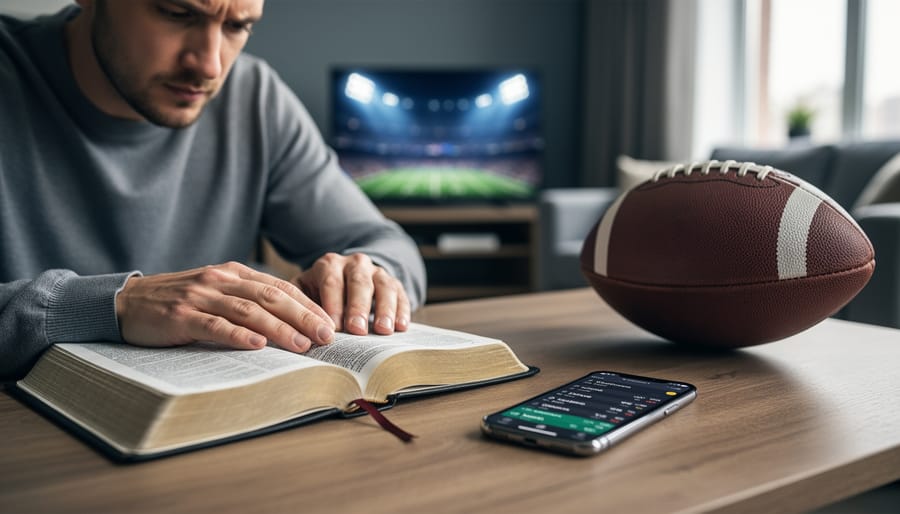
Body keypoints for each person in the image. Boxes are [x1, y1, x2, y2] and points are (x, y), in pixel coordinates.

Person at [0, 0, 427, 381]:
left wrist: (365, 274)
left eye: (237, 26)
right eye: (177, 13)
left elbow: (387, 244)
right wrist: (115, 305)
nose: (209, 65)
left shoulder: (254, 97)